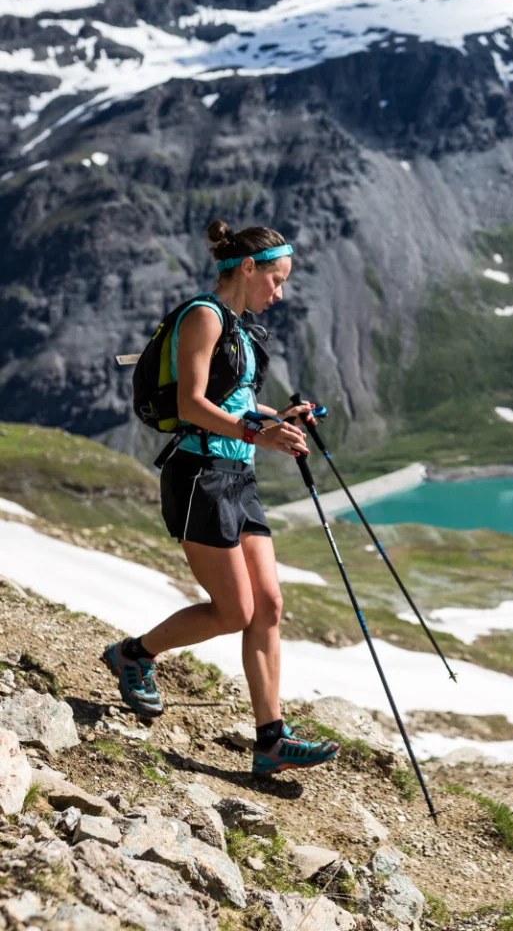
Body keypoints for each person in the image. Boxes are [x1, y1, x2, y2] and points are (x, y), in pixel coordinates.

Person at [102, 220, 340, 775]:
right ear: (249, 268)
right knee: (235, 611)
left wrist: (279, 419)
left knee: (270, 606)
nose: (278, 293)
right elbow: (190, 404)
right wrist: (259, 433)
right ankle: (133, 655)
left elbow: (233, 404)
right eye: (275, 280)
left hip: (239, 476)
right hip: (199, 477)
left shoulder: (241, 326)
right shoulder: (205, 317)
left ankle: (271, 740)